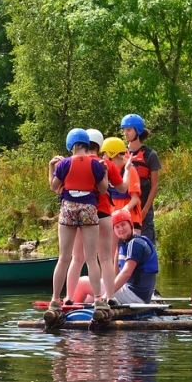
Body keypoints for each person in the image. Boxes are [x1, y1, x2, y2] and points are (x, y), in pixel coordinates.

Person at [65, 129, 130, 303]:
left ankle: (69, 297)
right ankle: (110, 297)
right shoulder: (105, 164)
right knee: (106, 258)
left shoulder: (74, 162)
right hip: (103, 215)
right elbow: (123, 188)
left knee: (77, 258)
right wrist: (129, 170)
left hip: (81, 217)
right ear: (99, 145)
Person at [48, 128, 109, 310]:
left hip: (68, 208)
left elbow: (53, 186)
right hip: (89, 209)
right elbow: (104, 189)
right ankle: (98, 299)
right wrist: (104, 171)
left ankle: (55, 300)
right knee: (91, 259)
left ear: (71, 145)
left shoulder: (64, 164)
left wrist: (52, 167)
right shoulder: (96, 164)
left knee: (64, 258)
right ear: (87, 144)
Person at [74, 209, 158, 306]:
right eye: (117, 227)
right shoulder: (125, 244)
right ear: (113, 230)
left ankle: (71, 310)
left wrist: (107, 296)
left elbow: (126, 273)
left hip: (134, 294)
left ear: (131, 224)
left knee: (82, 283)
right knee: (90, 297)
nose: (121, 229)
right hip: (135, 293)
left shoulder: (135, 243)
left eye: (123, 224)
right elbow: (116, 275)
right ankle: (81, 307)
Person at [121, 114, 161, 245]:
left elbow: (154, 186)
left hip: (143, 208)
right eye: (124, 130)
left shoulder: (150, 155)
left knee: (146, 246)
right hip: (125, 207)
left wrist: (145, 210)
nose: (125, 133)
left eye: (129, 130)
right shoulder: (120, 154)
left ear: (137, 131)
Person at [102, 136, 142, 233]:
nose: (103, 157)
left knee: (132, 246)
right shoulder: (108, 170)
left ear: (113, 154)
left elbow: (135, 198)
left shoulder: (129, 169)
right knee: (113, 248)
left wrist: (124, 211)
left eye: (104, 154)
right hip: (113, 215)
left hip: (131, 216)